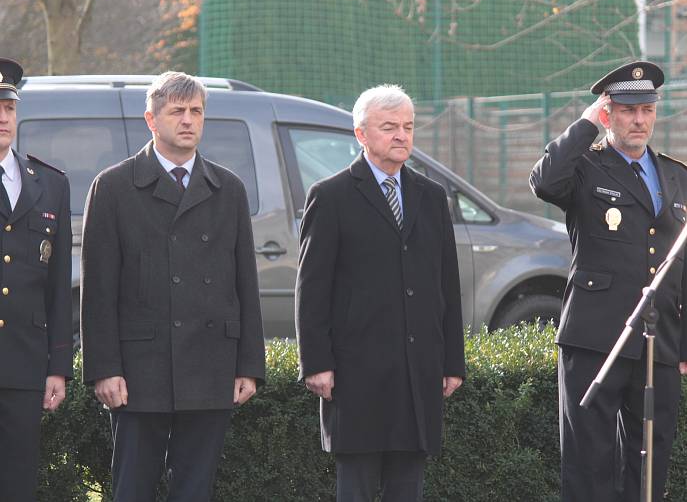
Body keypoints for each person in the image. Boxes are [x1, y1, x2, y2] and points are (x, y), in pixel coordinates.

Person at [80, 71, 265, 502]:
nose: (187, 120)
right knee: (133, 488)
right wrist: (105, 368)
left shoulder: (228, 189)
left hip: (210, 365)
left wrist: (249, 365)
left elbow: (245, 284)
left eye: (196, 111)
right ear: (151, 119)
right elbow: (98, 291)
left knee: (195, 490)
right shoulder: (112, 187)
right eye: (176, 111)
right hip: (139, 370)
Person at [529, 61, 687, 502]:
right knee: (588, 461)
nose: (639, 120)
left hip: (655, 340)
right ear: (609, 113)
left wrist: (685, 343)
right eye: (627, 110)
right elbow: (545, 181)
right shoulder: (585, 166)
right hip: (594, 336)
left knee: (649, 462)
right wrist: (586, 124)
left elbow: (686, 264)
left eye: (646, 109)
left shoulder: (678, 176)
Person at [295, 84, 465, 501]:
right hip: (356, 375)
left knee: (408, 487)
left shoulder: (430, 197)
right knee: (355, 486)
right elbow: (311, 288)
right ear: (361, 134)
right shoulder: (331, 196)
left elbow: (447, 286)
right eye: (389, 127)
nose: (402, 136)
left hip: (416, 371)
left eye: (408, 126)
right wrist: (316, 363)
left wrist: (452, 361)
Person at [0, 58, 72, 502]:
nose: (2, 117)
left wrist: (58, 367)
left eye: (8, 107)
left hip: (24, 365)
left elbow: (57, 286)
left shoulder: (49, 184)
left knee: (18, 481)